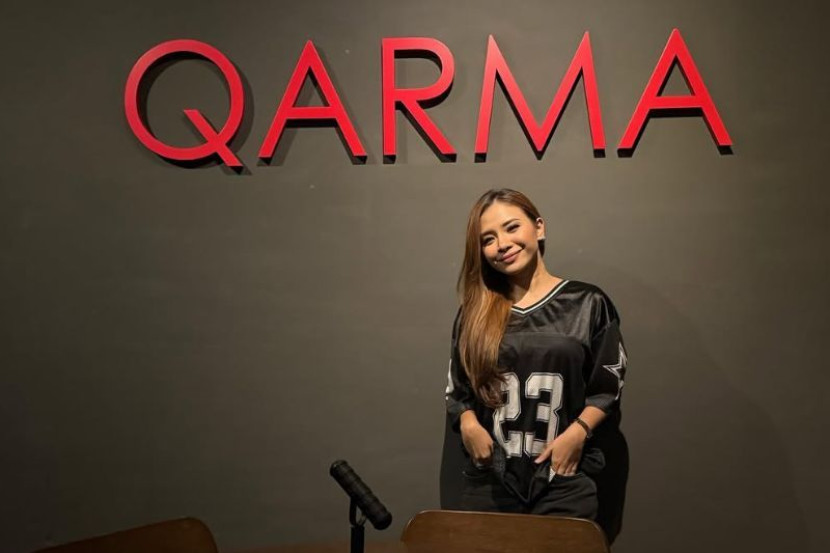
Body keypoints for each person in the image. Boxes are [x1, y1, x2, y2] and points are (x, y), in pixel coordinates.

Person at [445, 188, 627, 520]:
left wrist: (577, 433)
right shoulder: (474, 314)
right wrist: (469, 425)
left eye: (512, 227)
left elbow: (607, 386)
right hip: (492, 482)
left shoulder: (588, 303)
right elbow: (459, 389)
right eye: (488, 239)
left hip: (564, 478)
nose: (502, 244)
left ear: (538, 228)